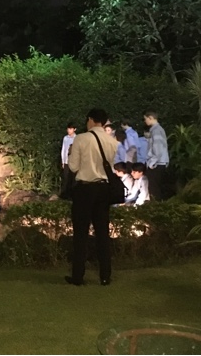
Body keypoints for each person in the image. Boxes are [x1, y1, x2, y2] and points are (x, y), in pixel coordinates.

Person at [67, 108, 118, 286]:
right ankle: (105, 275)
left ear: (90, 119)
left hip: (85, 188)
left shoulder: (81, 138)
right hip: (104, 189)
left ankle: (78, 275)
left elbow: (73, 167)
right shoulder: (112, 141)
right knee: (102, 232)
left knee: (80, 233)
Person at [144, 110, 169, 201]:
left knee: (154, 189)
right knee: (156, 188)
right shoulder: (158, 130)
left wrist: (152, 163)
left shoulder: (156, 131)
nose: (145, 121)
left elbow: (158, 149)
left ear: (150, 118)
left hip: (157, 163)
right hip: (160, 162)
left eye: (145, 119)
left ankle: (155, 206)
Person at [60, 122, 77, 198]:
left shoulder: (76, 138)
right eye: (68, 129)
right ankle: (64, 194)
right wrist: (63, 161)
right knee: (66, 178)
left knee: (73, 178)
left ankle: (73, 195)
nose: (69, 130)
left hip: (74, 161)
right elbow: (63, 149)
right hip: (66, 161)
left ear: (74, 129)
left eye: (70, 129)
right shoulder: (65, 138)